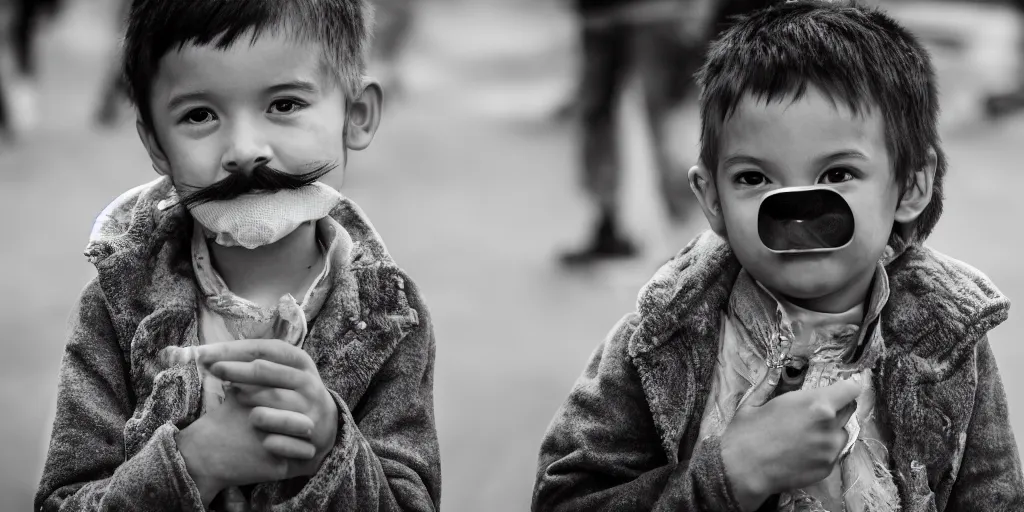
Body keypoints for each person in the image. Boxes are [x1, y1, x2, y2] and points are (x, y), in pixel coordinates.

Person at [533, 2, 1024, 511]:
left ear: (912, 185)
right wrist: (731, 474)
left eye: (837, 174)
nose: (794, 212)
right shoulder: (662, 333)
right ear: (712, 199)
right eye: (754, 178)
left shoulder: (950, 338)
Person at [34, 0, 441, 510]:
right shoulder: (115, 310)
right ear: (157, 144)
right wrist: (196, 461)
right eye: (200, 115)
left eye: (285, 104)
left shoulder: (391, 319)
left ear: (355, 115)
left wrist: (331, 447)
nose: (245, 150)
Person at [559, 0, 712, 266]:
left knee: (664, 117)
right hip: (598, 13)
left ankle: (691, 236)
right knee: (597, 114)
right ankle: (607, 224)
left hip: (655, 12)